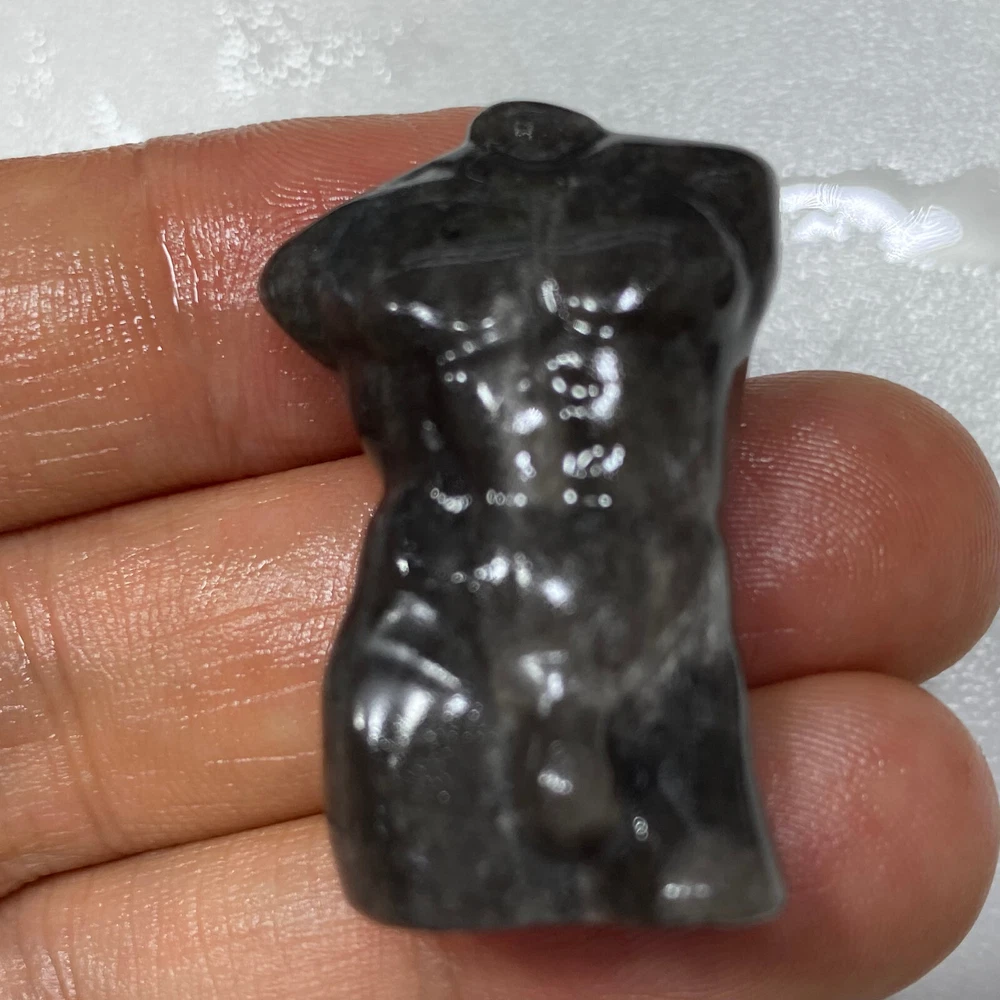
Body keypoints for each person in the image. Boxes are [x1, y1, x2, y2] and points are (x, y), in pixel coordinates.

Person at [0, 109, 996, 999]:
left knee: (681, 848)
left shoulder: (709, 187)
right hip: (452, 583)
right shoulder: (362, 240)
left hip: (649, 583)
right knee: (444, 842)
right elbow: (291, 288)